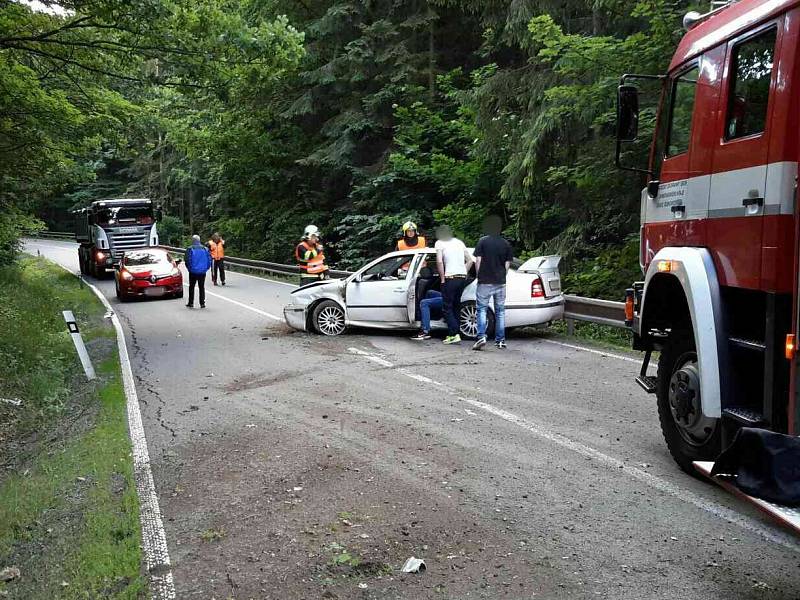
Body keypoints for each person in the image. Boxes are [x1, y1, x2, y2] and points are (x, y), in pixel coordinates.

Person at [472, 215, 514, 350]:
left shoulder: (482, 242)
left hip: (485, 281)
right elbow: (508, 264)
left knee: (481, 310)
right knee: (500, 311)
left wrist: (479, 276)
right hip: (500, 282)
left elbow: (478, 261)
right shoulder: (506, 244)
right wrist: (502, 275)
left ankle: (481, 337)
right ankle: (500, 340)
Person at [435, 225, 473, 345]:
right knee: (456, 305)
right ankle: (454, 335)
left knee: (447, 307)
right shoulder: (459, 243)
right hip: (461, 278)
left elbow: (439, 261)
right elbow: (470, 260)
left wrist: (442, 278)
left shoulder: (440, 243)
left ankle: (454, 333)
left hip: (450, 278)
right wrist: (463, 271)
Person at [185, 234, 212, 308]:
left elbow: (187, 260)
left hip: (193, 271)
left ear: (193, 241)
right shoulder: (205, 249)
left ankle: (191, 303)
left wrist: (189, 268)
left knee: (192, 287)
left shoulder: (190, 249)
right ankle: (202, 303)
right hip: (202, 271)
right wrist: (206, 268)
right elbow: (209, 259)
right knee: (201, 287)